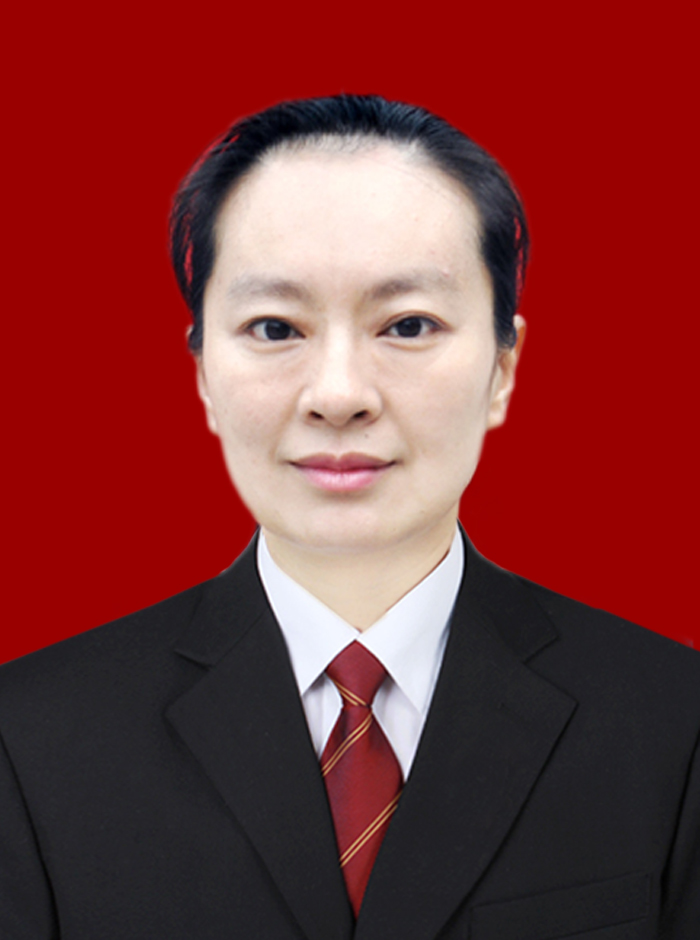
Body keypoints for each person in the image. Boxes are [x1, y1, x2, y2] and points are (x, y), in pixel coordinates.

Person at [1, 95, 698, 939]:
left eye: (407, 324)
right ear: (204, 373)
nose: (338, 395)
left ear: (503, 370)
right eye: (274, 327)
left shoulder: (674, 725)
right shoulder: (29, 739)